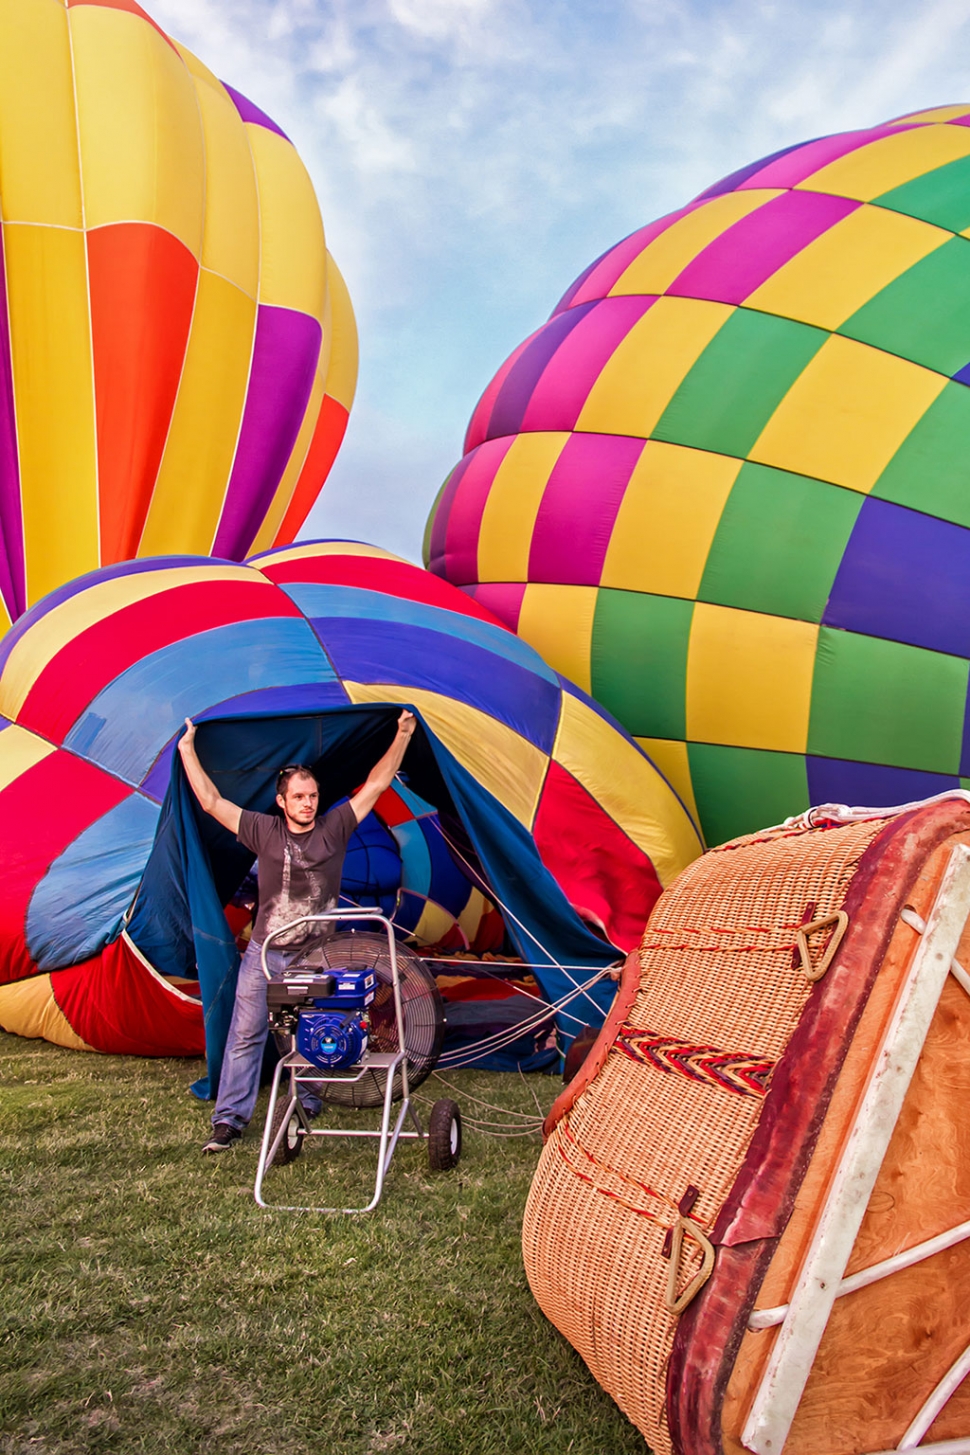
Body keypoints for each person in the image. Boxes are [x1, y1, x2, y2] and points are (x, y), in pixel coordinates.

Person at [178, 710, 417, 1153]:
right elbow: (212, 802)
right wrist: (187, 750)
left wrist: (402, 734)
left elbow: (378, 783)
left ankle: (306, 1102)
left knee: (314, 1032)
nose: (308, 803)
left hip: (315, 956)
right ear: (282, 801)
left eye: (312, 795)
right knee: (246, 1034)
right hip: (265, 954)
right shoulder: (262, 829)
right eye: (299, 796)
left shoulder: (336, 827)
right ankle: (228, 1122)